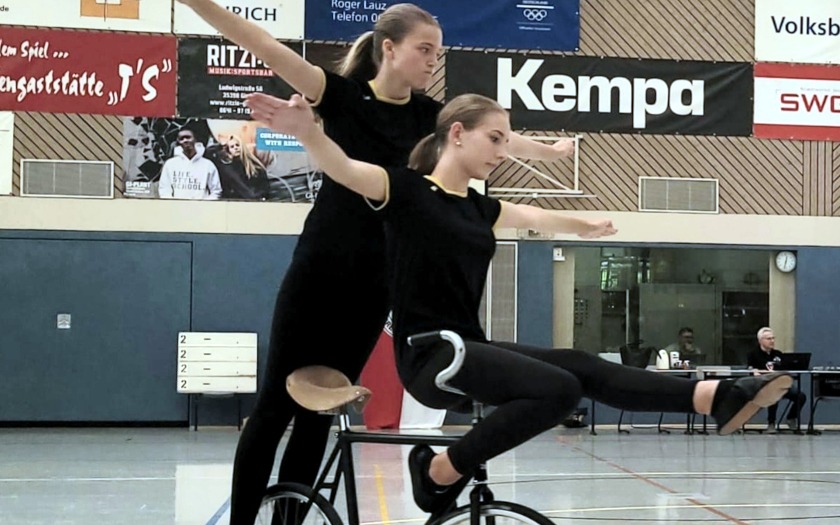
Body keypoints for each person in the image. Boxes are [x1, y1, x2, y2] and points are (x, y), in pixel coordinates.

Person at [246, 90, 795, 514]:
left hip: (469, 349)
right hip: (429, 353)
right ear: (456, 134)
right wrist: (307, 133)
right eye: (496, 140)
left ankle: (715, 396)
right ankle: (438, 471)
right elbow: (342, 168)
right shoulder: (405, 191)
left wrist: (582, 224)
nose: (503, 152)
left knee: (579, 366)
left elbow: (535, 217)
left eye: (507, 142)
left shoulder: (479, 208)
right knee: (558, 390)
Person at [176, 2, 576, 523]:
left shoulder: (426, 118)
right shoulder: (340, 96)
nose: (434, 61)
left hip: (376, 281)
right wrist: (198, 5)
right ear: (389, 48)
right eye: (424, 50)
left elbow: (489, 133)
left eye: (438, 51)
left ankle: (289, 521)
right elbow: (265, 46)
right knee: (275, 408)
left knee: (321, 410)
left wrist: (545, 151)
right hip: (320, 268)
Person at [747, 327, 807, 432]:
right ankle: (771, 423)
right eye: (769, 339)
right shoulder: (753, 354)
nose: (772, 341)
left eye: (773, 338)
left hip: (780, 384)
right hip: (763, 386)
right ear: (761, 340)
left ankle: (791, 418)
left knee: (800, 396)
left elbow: (785, 368)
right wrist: (754, 370)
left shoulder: (778, 354)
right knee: (774, 393)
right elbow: (750, 367)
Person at [158, 128, 222, 200]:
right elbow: (164, 189)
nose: (185, 140)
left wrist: (204, 205)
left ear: (195, 139)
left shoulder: (208, 165)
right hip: (177, 209)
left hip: (201, 209)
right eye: (181, 139)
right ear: (179, 142)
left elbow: (216, 191)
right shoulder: (170, 164)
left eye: (188, 137)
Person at [205, 134, 270, 200]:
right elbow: (208, 153)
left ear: (242, 146)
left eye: (237, 145)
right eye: (232, 147)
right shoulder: (228, 168)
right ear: (229, 151)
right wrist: (221, 145)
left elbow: (265, 187)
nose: (235, 148)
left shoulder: (255, 166)